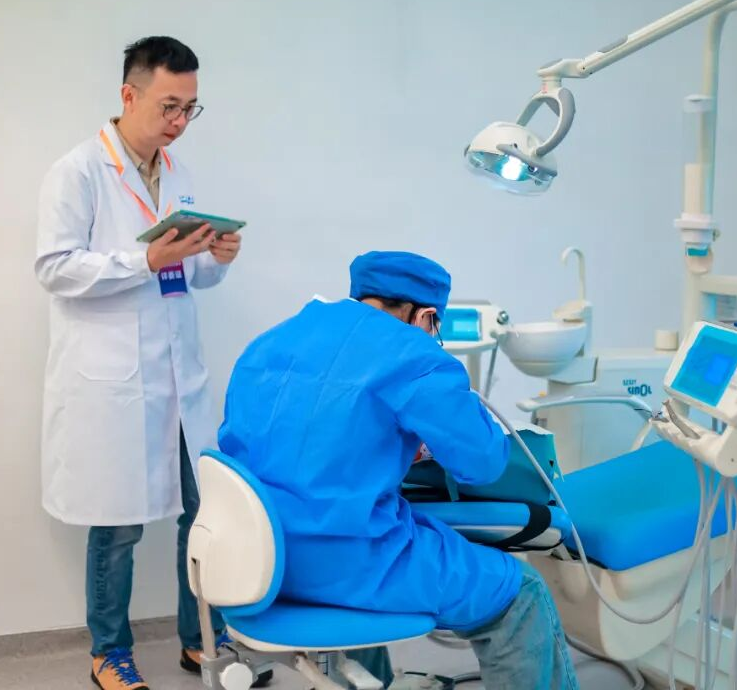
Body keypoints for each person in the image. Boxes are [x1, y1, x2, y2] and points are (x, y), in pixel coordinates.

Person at [219, 251, 580, 689]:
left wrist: (390, 444)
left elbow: (291, 439)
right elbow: (482, 462)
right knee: (521, 593)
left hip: (259, 559)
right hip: (348, 565)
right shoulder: (414, 354)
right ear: (425, 316)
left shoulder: (272, 341)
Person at [34, 36, 256, 690]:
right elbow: (54, 268)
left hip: (179, 378)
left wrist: (216, 258)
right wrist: (144, 260)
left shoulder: (177, 174)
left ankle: (200, 640)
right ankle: (109, 651)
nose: (179, 121)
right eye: (169, 106)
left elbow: (186, 279)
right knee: (118, 525)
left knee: (203, 512)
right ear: (129, 95)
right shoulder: (77, 172)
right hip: (112, 383)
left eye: (190, 108)